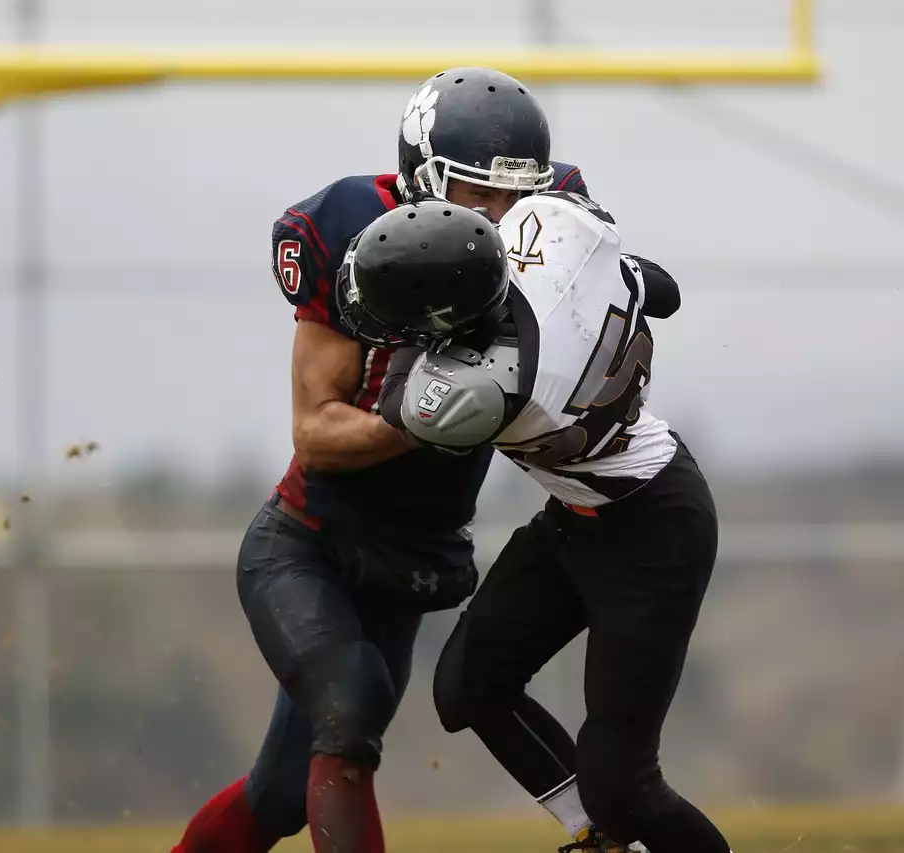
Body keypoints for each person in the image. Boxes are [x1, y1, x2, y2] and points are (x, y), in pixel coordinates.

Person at [170, 67, 601, 853]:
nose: (503, 219)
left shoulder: (550, 221)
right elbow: (315, 431)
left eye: (516, 198)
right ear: (424, 182)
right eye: (480, 196)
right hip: (311, 543)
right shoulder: (348, 232)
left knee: (276, 798)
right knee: (352, 707)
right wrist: (424, 417)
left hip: (411, 561)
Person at [359, 194, 729, 853]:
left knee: (623, 785)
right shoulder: (542, 254)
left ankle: (618, 829)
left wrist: (411, 328)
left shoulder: (491, 385)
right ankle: (599, 839)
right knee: (469, 687)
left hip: (651, 529)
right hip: (581, 511)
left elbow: (399, 403)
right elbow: (658, 289)